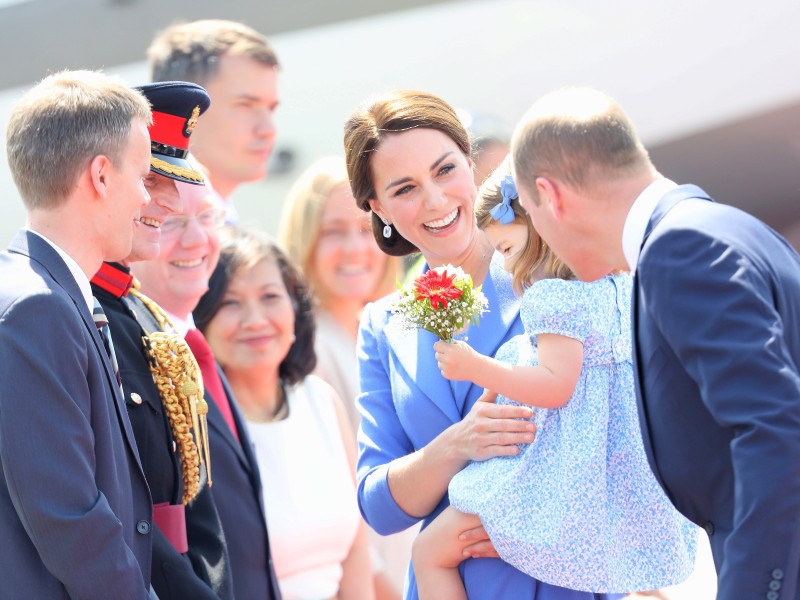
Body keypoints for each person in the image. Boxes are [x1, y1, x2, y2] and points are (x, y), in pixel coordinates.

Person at [510, 87, 800, 600]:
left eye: (529, 213)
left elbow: (774, 427)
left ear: (550, 195)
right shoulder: (727, 225)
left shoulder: (679, 248)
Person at [344, 89, 622, 600]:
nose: (434, 199)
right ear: (377, 207)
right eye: (404, 188)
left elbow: (628, 425)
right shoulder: (382, 325)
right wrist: (456, 445)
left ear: (472, 166)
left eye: (445, 170)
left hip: (570, 583)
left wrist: (530, 521)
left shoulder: (558, 272)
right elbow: (379, 506)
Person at [411, 163, 697, 598]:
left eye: (506, 248)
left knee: (429, 549)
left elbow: (555, 385)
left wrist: (474, 367)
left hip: (557, 475)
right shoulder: (617, 282)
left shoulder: (554, 296)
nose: (505, 265)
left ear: (538, 228)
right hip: (610, 473)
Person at [0, 70, 155, 598]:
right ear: (102, 176)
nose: (146, 199)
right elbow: (68, 513)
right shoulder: (35, 307)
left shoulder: (44, 294)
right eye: (144, 175)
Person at [90, 81, 235, 599]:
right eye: (152, 180)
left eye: (176, 181)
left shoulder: (139, 310)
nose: (168, 203)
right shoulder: (75, 314)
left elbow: (195, 504)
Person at [194, 227, 375, 600]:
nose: (255, 319)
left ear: (295, 308)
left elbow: (357, 548)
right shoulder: (196, 422)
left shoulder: (321, 400)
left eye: (270, 296)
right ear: (203, 318)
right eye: (231, 303)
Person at [131, 180, 282, 599]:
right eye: (171, 221)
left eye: (206, 217)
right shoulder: (123, 354)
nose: (196, 239)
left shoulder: (197, 350)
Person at [148, 19, 280, 221]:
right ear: (186, 107)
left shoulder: (221, 223)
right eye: (245, 105)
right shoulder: (149, 240)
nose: (269, 129)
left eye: (270, 109)